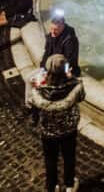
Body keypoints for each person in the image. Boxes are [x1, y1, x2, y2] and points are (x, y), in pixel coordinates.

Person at [28, 54, 85, 192]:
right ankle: (70, 185)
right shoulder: (75, 86)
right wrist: (71, 77)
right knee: (69, 157)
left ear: (48, 71)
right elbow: (82, 97)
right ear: (66, 69)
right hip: (68, 129)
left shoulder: (39, 90)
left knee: (50, 159)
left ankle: (52, 187)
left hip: (48, 131)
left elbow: (33, 104)